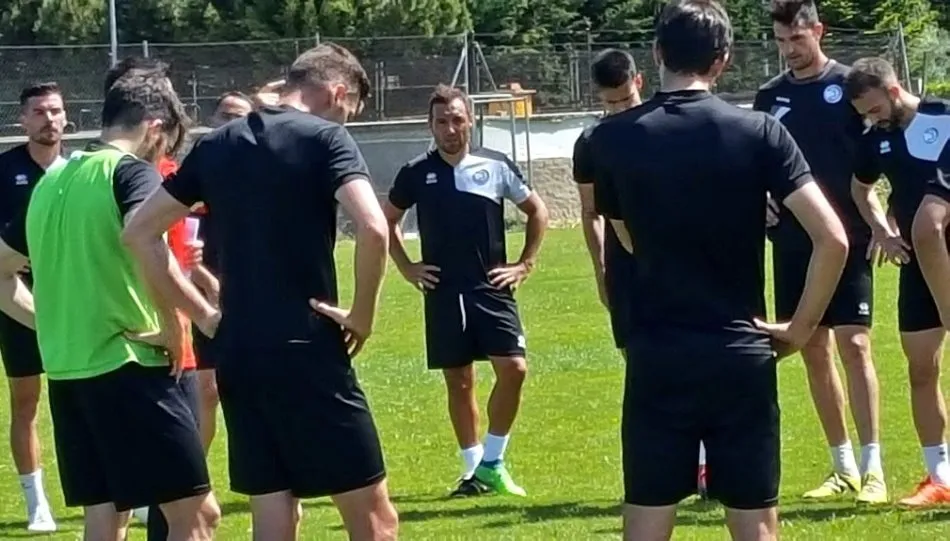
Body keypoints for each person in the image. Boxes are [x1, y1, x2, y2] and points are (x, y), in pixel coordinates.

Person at [589, 1, 848, 539]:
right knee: (755, 525)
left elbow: (624, 236)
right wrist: (799, 330)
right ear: (724, 60)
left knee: (646, 520)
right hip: (739, 352)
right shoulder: (760, 133)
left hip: (657, 351)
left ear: (657, 53)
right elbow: (833, 238)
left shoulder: (610, 140)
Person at [121, 43, 399, 541]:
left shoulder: (216, 144)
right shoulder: (326, 138)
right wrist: (362, 314)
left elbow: (139, 233)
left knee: (273, 509)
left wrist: (202, 314)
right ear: (338, 92)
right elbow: (375, 229)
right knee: (375, 517)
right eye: (351, 110)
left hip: (237, 352)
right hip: (306, 345)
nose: (348, 121)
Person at [0, 72, 220, 540]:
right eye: (166, 147)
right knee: (196, 516)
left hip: (69, 374)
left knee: (106, 517)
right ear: (155, 127)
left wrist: (52, 324)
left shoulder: (52, 182)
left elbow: (1, 273)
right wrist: (186, 321)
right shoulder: (128, 172)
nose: (162, 160)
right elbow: (148, 244)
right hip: (129, 368)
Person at [383, 84, 549, 498]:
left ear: (470, 120)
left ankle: (494, 461)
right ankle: (475, 470)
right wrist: (407, 266)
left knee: (514, 369)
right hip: (443, 290)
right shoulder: (416, 172)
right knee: (459, 381)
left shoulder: (494, 165)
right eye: (442, 121)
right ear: (431, 125)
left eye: (457, 119)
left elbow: (536, 210)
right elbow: (384, 221)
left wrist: (524, 264)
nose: (450, 128)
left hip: (490, 287)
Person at [754, 0, 888, 503]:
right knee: (812, 346)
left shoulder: (851, 86)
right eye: (781, 41)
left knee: (855, 345)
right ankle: (843, 466)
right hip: (793, 239)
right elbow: (758, 159)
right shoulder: (770, 97)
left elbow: (884, 144)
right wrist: (760, 198)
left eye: (797, 39)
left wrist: (884, 218)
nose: (789, 50)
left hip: (848, 235)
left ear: (818, 31)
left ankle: (875, 467)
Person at [572, 48, 710, 499]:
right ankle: (671, 467)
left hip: (673, 261)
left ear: (639, 82)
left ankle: (707, 464)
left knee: (693, 358)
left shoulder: (660, 129)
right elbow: (590, 211)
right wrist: (601, 268)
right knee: (643, 364)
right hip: (626, 269)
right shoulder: (592, 142)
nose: (617, 110)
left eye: (624, 100)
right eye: (609, 103)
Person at [845, 56, 950, 507]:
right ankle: (940, 475)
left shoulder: (943, 116)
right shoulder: (877, 141)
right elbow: (859, 189)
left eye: (872, 109)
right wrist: (883, 232)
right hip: (917, 267)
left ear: (892, 91)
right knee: (921, 368)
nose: (870, 120)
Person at [0, 82, 65, 533]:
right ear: (22, 120)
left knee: (91, 398)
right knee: (26, 401)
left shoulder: (79, 170)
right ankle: (36, 503)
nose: (49, 119)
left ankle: (127, 495)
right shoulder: (4, 171)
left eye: (56, 111)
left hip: (77, 297)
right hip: (17, 300)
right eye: (39, 112)